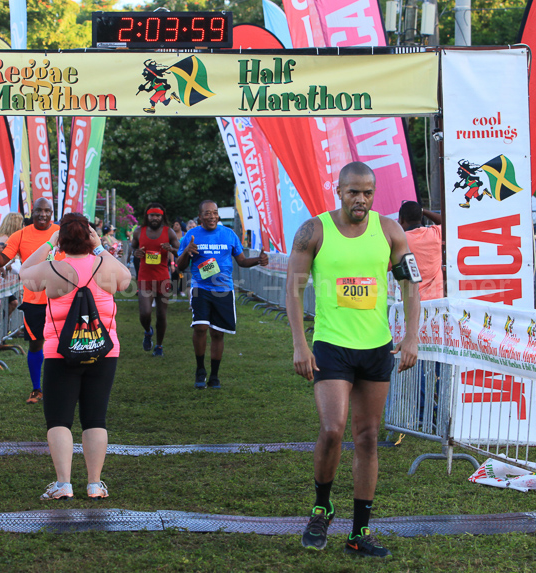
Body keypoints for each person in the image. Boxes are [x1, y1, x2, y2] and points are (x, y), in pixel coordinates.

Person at [286, 162, 418, 559]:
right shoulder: (314, 230)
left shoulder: (390, 231)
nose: (360, 199)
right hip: (331, 346)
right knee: (332, 429)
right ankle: (322, 508)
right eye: (353, 192)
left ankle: (359, 532)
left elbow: (411, 286)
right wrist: (299, 344)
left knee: (367, 437)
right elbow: (293, 290)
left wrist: (412, 335)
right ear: (339, 191)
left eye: (367, 193)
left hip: (376, 349)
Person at [19, 213, 131, 501]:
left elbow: (24, 272)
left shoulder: (52, 269)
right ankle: (94, 484)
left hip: (61, 353)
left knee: (59, 419)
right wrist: (100, 247)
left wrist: (50, 243)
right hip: (104, 350)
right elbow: (126, 279)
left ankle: (63, 484)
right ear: (89, 236)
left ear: (63, 239)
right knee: (95, 418)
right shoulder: (104, 265)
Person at [176, 200, 268, 389]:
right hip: (201, 288)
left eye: (215, 213)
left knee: (217, 333)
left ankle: (214, 376)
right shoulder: (191, 236)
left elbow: (241, 261)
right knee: (200, 327)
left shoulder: (229, 234)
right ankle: (200, 369)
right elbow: (180, 266)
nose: (212, 216)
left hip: (223, 290)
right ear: (200, 217)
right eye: (207, 213)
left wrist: (258, 260)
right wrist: (186, 252)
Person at [0, 198, 58, 404]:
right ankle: (37, 389)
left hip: (61, 299)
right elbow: (2, 261)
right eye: (39, 211)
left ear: (52, 213)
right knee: (36, 345)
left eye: (47, 211)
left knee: (62, 344)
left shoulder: (61, 233)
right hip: (34, 300)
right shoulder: (21, 235)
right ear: (32, 213)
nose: (43, 214)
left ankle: (60, 387)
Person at [132, 203, 180, 357]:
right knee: (145, 313)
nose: (154, 218)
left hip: (163, 278)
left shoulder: (169, 232)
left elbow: (180, 251)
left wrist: (171, 250)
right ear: (147, 216)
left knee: (161, 315)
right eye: (152, 215)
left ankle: (159, 346)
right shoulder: (139, 231)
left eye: (158, 215)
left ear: (162, 216)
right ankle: (148, 331)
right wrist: (136, 252)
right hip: (145, 278)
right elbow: (132, 249)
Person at [398, 202, 443, 301]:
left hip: (412, 301)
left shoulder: (400, 240)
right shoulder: (436, 234)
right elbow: (447, 222)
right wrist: (424, 211)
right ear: (421, 217)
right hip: (437, 301)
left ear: (401, 219)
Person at [0, 212, 26, 317]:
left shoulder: (3, 237)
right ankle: (2, 325)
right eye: (22, 224)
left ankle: (4, 324)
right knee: (8, 305)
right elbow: (4, 261)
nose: (23, 227)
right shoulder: (5, 240)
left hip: (3, 281)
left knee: (12, 303)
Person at [171, 220, 186, 297]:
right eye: (174, 225)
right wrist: (172, 263)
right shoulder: (171, 235)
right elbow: (171, 249)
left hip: (183, 258)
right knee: (174, 275)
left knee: (182, 275)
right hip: (174, 258)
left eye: (177, 224)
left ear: (180, 225)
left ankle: (181, 290)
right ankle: (174, 290)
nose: (175, 226)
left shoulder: (185, 234)